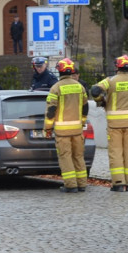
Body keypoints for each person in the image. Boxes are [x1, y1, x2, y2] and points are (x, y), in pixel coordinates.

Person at [91, 55, 128, 191]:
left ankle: (118, 183)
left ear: (117, 66)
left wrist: (101, 100)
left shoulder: (111, 81)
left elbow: (95, 90)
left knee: (116, 152)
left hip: (115, 124)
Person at [44, 57, 89, 193]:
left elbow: (51, 111)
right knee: (78, 157)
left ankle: (70, 185)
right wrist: (82, 122)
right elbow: (85, 107)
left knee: (66, 157)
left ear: (60, 71)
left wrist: (47, 128)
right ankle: (82, 184)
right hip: (77, 130)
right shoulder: (79, 86)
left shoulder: (56, 88)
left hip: (63, 131)